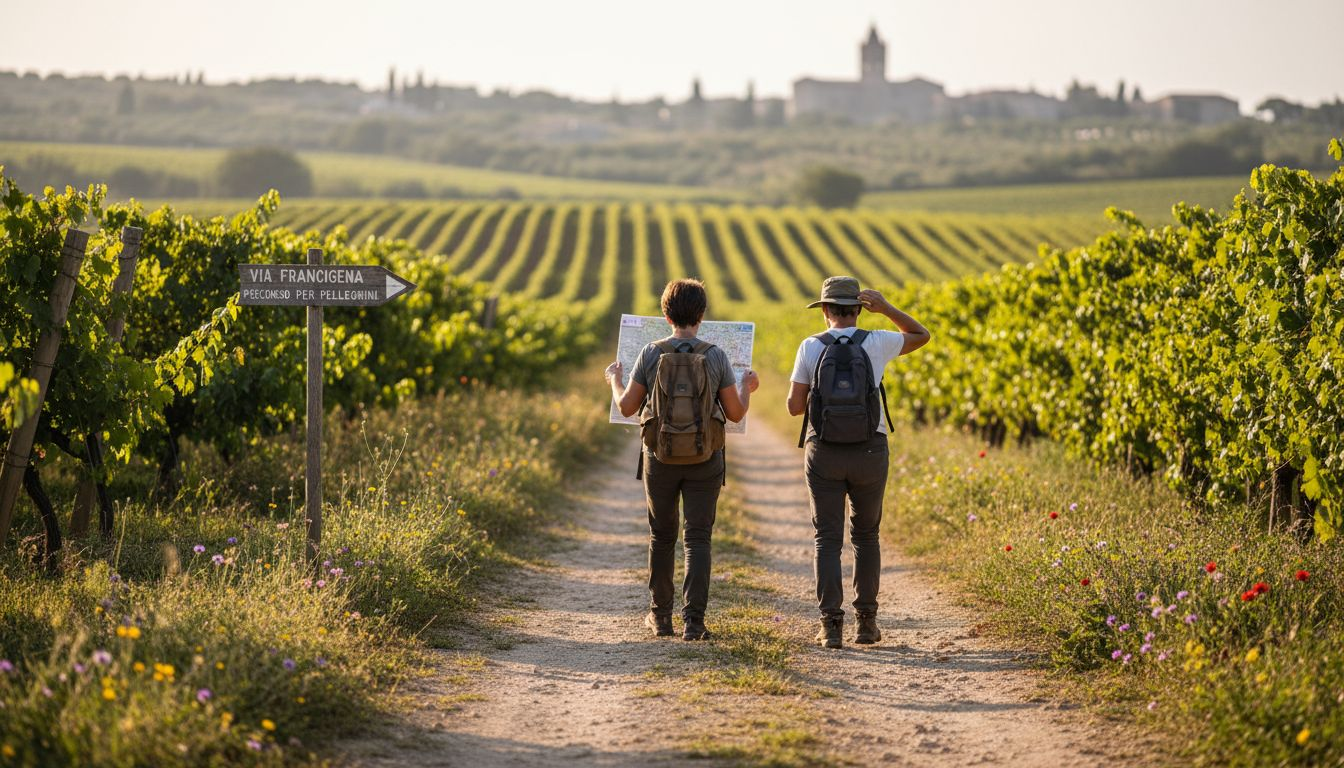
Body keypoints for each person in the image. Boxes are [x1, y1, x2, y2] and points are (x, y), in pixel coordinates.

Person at [606, 279, 759, 641]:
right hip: (706, 458)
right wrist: (745, 388)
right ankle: (695, 622)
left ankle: (660, 618)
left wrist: (614, 379)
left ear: (665, 314)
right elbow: (735, 414)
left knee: (661, 536)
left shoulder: (650, 353)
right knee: (698, 538)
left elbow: (627, 406)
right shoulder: (717, 355)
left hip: (659, 456)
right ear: (702, 315)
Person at [786, 276, 930, 649]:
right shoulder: (878, 341)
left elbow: (794, 407)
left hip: (824, 451)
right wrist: (886, 308)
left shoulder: (810, 346)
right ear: (858, 308)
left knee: (827, 539)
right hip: (870, 449)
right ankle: (867, 623)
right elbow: (921, 334)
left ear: (826, 311)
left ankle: (830, 626)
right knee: (866, 537)